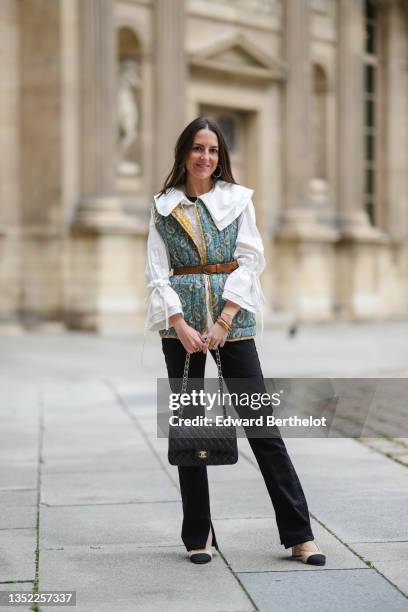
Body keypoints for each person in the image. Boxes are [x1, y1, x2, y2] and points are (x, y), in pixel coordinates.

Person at [145, 116, 326, 566]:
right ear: (184, 153)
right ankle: (197, 534)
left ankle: (300, 534)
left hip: (234, 319)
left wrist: (225, 319)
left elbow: (251, 260)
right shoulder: (162, 206)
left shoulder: (238, 200)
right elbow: (156, 270)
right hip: (181, 324)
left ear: (220, 156)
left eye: (212, 150)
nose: (205, 157)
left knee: (262, 427)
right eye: (197, 148)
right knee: (191, 427)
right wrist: (179, 322)